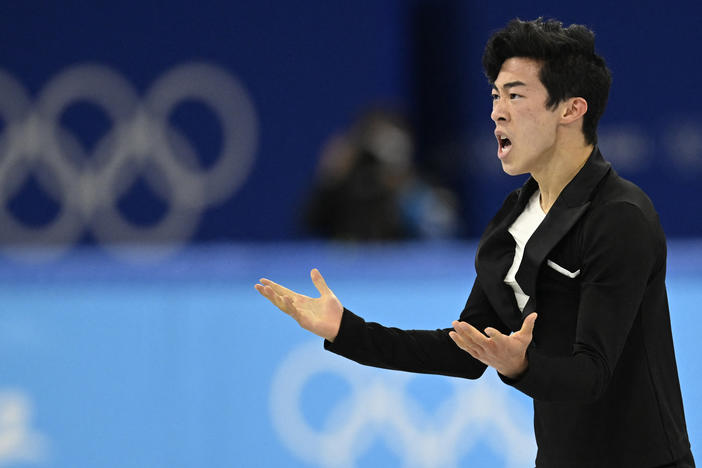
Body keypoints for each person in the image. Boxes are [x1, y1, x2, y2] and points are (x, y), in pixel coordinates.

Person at [255, 18, 694, 468]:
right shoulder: (511, 222)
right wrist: (345, 329)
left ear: (570, 109)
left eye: (515, 95)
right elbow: (462, 351)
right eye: (495, 95)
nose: (497, 112)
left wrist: (519, 364)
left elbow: (592, 374)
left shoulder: (619, 216)